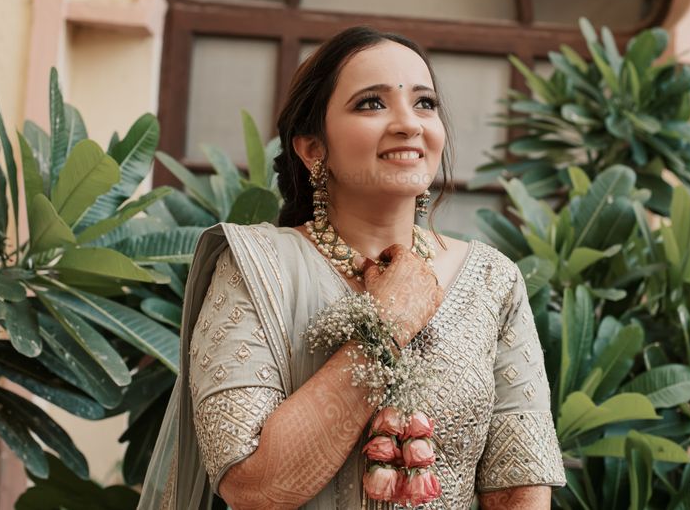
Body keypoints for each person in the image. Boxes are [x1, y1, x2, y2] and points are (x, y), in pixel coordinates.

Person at [138, 26, 565, 509]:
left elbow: (519, 488)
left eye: (424, 103)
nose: (409, 123)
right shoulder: (255, 268)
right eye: (371, 104)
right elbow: (253, 487)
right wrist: (386, 326)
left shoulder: (493, 280)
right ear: (312, 148)